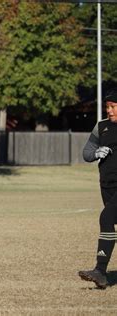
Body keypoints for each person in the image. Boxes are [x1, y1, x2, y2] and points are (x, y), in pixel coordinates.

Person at [79, 92, 117, 289]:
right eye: (107, 106)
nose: (109, 110)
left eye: (113, 106)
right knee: (111, 222)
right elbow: (86, 153)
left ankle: (100, 272)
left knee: (106, 218)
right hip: (107, 185)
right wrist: (96, 153)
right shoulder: (101, 127)